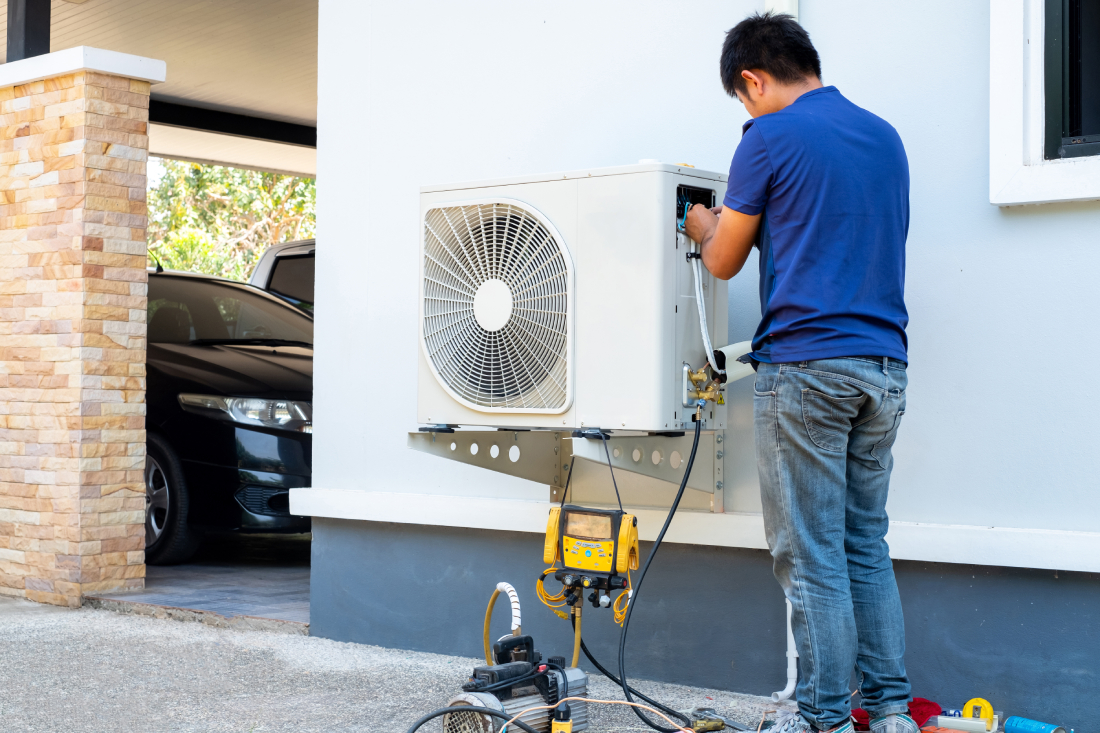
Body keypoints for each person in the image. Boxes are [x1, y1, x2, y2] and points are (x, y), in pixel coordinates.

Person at [683, 12, 914, 733]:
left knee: (810, 553)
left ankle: (822, 717)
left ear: (753, 79)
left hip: (807, 369)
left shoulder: (767, 138)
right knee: (862, 545)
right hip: (884, 369)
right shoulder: (884, 137)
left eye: (742, 96)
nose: (746, 110)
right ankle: (894, 712)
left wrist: (701, 225)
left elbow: (723, 258)